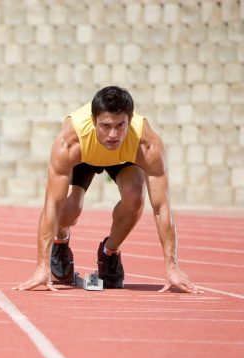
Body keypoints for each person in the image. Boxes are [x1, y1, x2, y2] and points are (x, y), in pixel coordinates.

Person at [15, 86, 200, 293]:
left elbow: (161, 207)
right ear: (94, 121)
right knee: (70, 210)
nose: (113, 134)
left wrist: (172, 266)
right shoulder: (69, 142)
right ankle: (61, 241)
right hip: (84, 155)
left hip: (123, 158)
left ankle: (110, 251)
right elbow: (52, 204)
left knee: (136, 198)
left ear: (130, 121)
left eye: (121, 125)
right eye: (105, 126)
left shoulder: (147, 145)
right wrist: (42, 266)